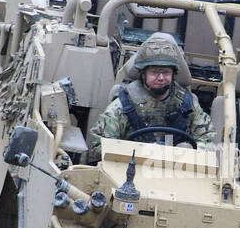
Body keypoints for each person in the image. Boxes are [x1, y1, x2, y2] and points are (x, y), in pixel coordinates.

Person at [87, 33, 214, 162]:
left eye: (166, 72)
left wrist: (186, 150)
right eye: (154, 72)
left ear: (173, 75)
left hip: (175, 171)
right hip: (130, 169)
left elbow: (209, 141)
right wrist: (134, 151)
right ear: (143, 74)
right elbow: (99, 145)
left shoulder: (187, 104)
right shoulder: (124, 104)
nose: (160, 78)